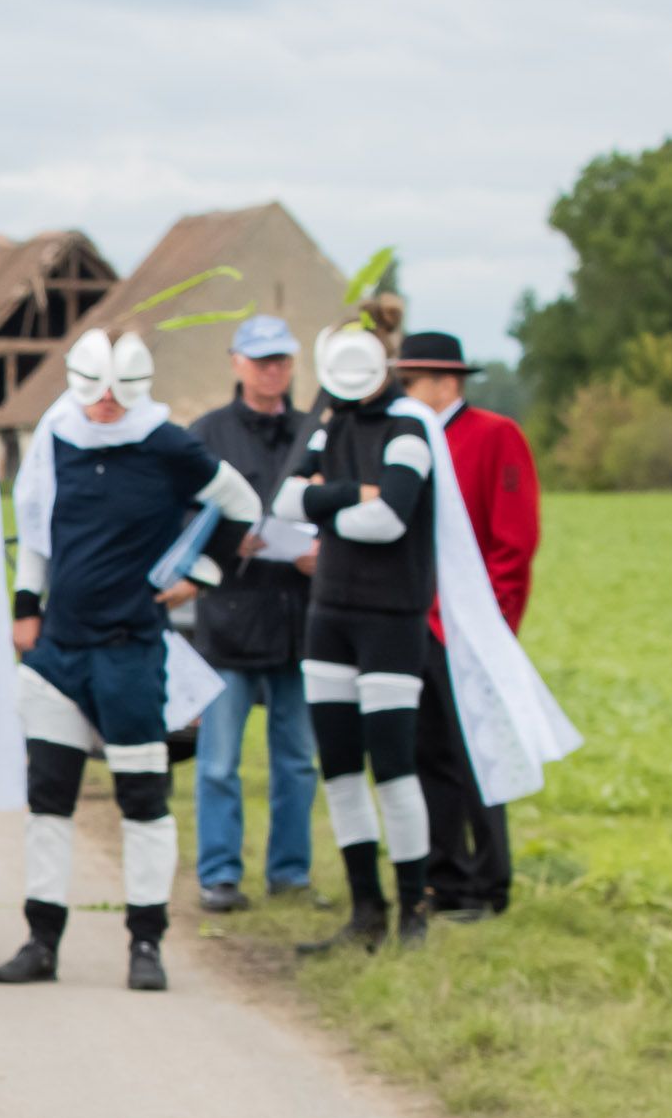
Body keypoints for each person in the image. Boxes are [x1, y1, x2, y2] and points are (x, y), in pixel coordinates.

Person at [0, 328, 260, 991]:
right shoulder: (53, 438)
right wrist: (25, 608)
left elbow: (241, 504)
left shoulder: (168, 443)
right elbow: (35, 531)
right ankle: (40, 940)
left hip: (132, 651)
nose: (106, 408)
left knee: (143, 797)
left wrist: (201, 573)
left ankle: (147, 944)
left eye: (119, 397)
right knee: (48, 797)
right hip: (59, 650)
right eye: (96, 395)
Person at [274, 299, 437, 954]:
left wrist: (326, 499)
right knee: (340, 767)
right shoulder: (328, 424)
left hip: (391, 617)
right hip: (330, 614)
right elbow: (285, 503)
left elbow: (391, 520)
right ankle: (365, 910)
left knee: (393, 765)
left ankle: (413, 910)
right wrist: (352, 495)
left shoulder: (408, 429)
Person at [395, 331, 541, 920]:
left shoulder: (494, 436)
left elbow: (513, 538)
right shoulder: (407, 438)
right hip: (416, 620)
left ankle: (489, 884)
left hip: (470, 626)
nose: (404, 393)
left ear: (447, 382)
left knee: (477, 757)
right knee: (428, 756)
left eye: (413, 383)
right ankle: (444, 879)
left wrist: (494, 623)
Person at [185, 315, 321, 914]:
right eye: (261, 360)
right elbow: (183, 517)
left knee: (297, 760)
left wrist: (323, 554)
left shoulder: (315, 432)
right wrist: (224, 546)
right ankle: (219, 874)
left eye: (282, 361)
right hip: (230, 621)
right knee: (218, 762)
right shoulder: (207, 434)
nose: (273, 371)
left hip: (299, 617)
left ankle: (290, 873)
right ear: (237, 363)